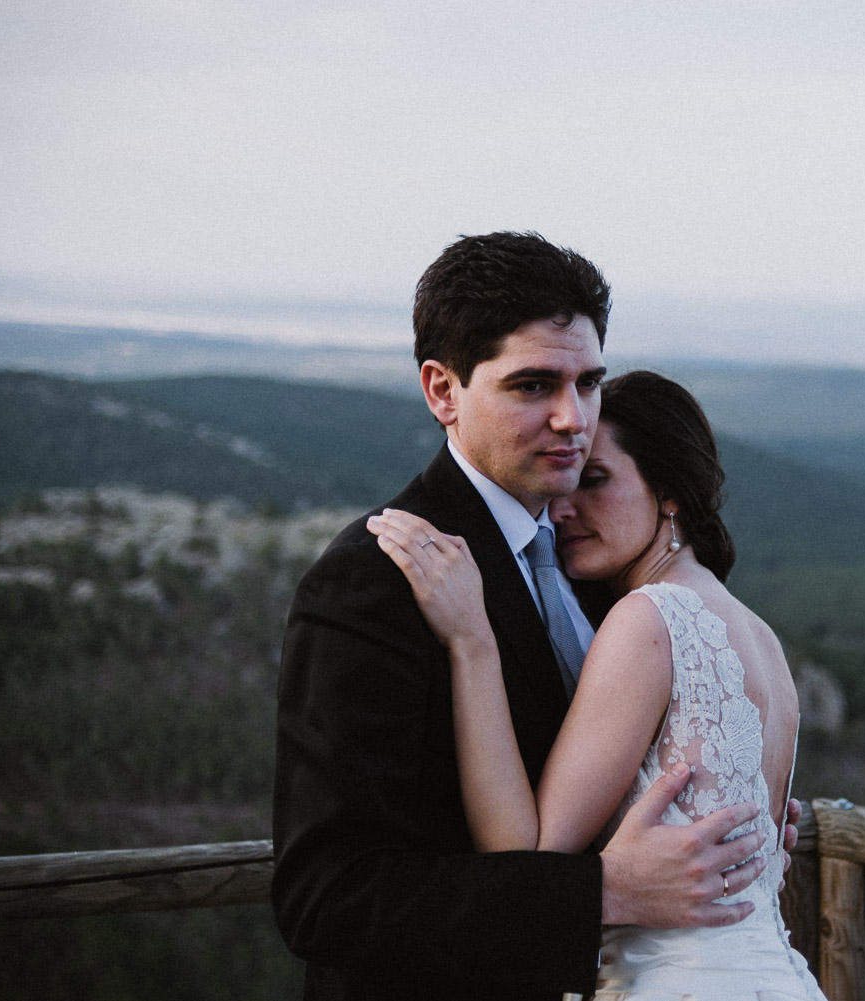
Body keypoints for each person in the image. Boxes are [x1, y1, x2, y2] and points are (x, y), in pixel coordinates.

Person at [271, 233, 787, 1001]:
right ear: (443, 391)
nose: (571, 418)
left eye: (588, 383)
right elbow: (327, 895)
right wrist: (601, 891)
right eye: (533, 386)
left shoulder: (594, 559)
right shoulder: (375, 579)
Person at [367, 370, 826, 1001]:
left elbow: (524, 854)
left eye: (595, 480)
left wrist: (471, 640)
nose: (563, 507)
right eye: (566, 482)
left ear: (668, 493)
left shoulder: (651, 617)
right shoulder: (760, 637)